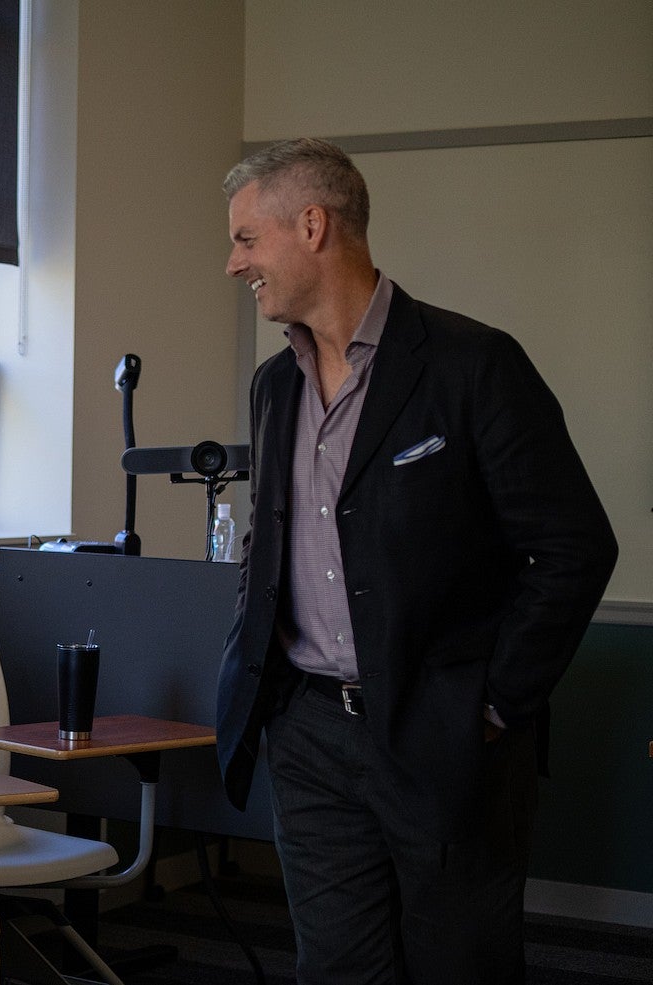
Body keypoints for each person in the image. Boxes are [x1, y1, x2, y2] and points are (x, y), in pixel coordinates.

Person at [215, 138, 618, 984]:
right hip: (311, 731)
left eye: (248, 238)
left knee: (457, 966)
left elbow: (576, 547)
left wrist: (498, 700)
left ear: (313, 225)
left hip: (445, 734)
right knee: (336, 970)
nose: (233, 262)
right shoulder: (272, 386)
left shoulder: (473, 365)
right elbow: (274, 537)